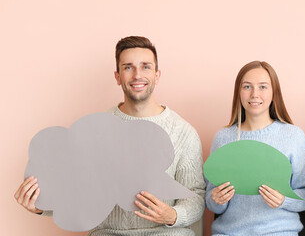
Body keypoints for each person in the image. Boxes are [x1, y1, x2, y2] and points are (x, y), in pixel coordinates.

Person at [14, 36, 206, 235]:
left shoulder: (183, 133)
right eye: (128, 67)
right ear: (117, 77)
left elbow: (196, 197)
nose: (137, 75)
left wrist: (172, 215)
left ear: (157, 75)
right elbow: (74, 191)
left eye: (146, 67)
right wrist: (40, 206)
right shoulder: (95, 131)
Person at [206, 61, 305, 235]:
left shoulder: (293, 136)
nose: (254, 94)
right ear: (238, 92)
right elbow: (212, 202)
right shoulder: (223, 138)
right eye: (247, 86)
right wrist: (217, 200)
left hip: (279, 231)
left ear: (274, 93)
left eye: (263, 87)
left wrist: (284, 200)